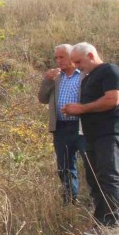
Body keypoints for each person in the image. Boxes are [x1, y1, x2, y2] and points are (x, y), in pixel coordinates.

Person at [62, 42, 119, 235]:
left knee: (108, 176)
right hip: (92, 136)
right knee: (95, 179)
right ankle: (101, 223)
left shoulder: (111, 71)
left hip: (110, 133)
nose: (76, 66)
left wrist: (81, 108)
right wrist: (76, 109)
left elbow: (112, 100)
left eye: (78, 61)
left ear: (91, 55)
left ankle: (113, 224)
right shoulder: (87, 79)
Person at [37, 44, 86, 205]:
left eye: (62, 57)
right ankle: (70, 201)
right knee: (64, 166)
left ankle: (97, 201)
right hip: (61, 127)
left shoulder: (84, 75)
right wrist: (47, 80)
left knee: (91, 163)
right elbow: (42, 98)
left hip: (83, 126)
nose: (58, 61)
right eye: (56, 57)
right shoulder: (55, 77)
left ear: (72, 57)